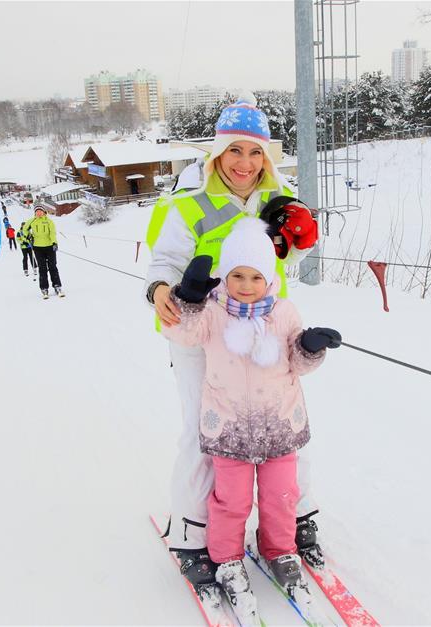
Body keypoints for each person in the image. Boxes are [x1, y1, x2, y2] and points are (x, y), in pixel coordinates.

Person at [143, 94, 321, 587]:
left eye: (255, 153)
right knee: (205, 436)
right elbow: (162, 265)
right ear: (218, 153)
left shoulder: (279, 196)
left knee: (287, 428)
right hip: (203, 334)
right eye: (235, 151)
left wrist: (299, 244)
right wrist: (161, 289)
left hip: (266, 333)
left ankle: (295, 517)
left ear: (267, 156)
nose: (245, 163)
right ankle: (193, 534)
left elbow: (285, 267)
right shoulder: (186, 200)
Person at [162, 218, 341, 614]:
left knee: (281, 497)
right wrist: (188, 297)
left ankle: (280, 550)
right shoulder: (212, 312)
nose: (245, 285)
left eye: (255, 276)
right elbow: (181, 333)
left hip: (280, 426)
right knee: (231, 502)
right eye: (237, 275)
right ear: (225, 277)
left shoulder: (284, 312)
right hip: (229, 430)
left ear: (270, 278)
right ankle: (226, 559)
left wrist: (310, 345)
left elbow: (297, 360)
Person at [25, 207, 62, 298]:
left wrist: (54, 242)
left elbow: (52, 233)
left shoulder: (49, 221)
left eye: (40, 211)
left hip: (49, 246)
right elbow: (24, 230)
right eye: (37, 211)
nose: (38, 213)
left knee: (52, 266)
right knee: (42, 268)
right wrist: (29, 237)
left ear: (44, 212)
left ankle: (57, 286)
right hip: (37, 248)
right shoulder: (32, 221)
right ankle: (44, 288)